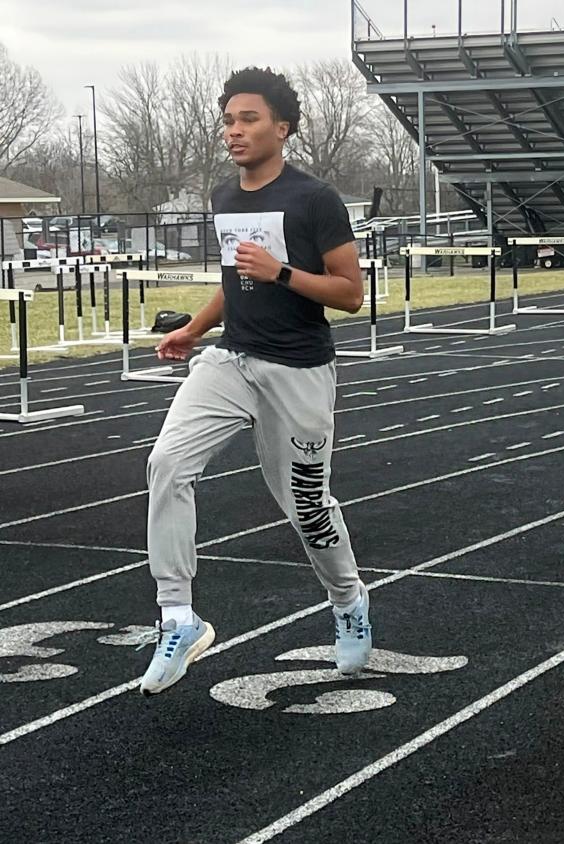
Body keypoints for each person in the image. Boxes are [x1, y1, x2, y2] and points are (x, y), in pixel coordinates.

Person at [138, 67, 370, 696]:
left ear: (281, 127)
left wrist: (282, 272)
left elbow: (351, 294)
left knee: (307, 510)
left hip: (297, 372)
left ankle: (347, 599)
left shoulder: (315, 199)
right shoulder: (225, 197)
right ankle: (178, 615)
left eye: (248, 119)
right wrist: (195, 329)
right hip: (230, 361)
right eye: (228, 120)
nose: (233, 131)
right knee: (167, 464)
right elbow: (231, 278)